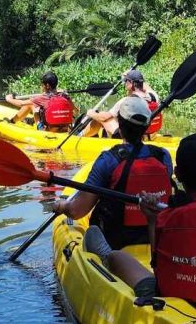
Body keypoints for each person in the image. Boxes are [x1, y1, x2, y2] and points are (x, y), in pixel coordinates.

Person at [82, 133, 196, 309]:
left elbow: (159, 268)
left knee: (117, 256)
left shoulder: (169, 215)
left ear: (177, 174)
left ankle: (105, 257)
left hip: (174, 303)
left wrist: (151, 220)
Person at [48, 97, 173, 249]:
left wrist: (62, 206)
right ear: (146, 127)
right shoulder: (163, 156)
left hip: (115, 243)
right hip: (155, 239)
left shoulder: (108, 160)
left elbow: (76, 211)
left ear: (119, 124)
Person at [84, 69, 161, 138]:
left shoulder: (125, 101)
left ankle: (82, 137)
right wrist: (132, 75)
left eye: (126, 81)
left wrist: (91, 114)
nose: (125, 83)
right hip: (149, 135)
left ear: (131, 83)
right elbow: (145, 86)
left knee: (100, 117)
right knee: (117, 118)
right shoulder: (153, 96)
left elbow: (103, 118)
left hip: (130, 137)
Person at [3, 71, 75, 132]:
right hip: (65, 130)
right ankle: (31, 120)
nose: (41, 87)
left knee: (31, 105)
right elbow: (76, 111)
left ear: (47, 86)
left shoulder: (42, 98)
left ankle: (12, 121)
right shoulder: (65, 95)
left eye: (42, 85)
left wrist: (9, 99)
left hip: (47, 131)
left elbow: (21, 103)